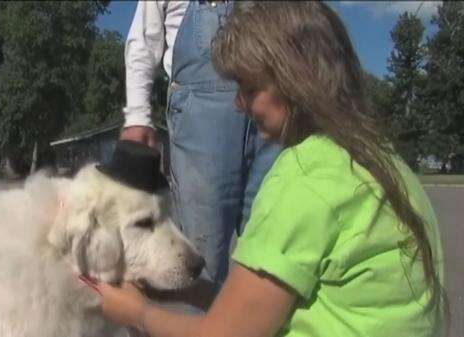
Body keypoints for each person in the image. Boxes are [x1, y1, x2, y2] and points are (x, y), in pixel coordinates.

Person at [81, 2, 448, 337]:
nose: (238, 104)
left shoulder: (304, 177)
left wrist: (137, 312)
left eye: (250, 88)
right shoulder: (382, 164)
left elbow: (225, 334)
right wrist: (192, 288)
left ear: (295, 78)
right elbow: (259, 308)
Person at [119, 0, 280, 290]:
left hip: (278, 105)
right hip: (202, 115)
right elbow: (144, 40)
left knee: (276, 245)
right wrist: (138, 116)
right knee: (202, 255)